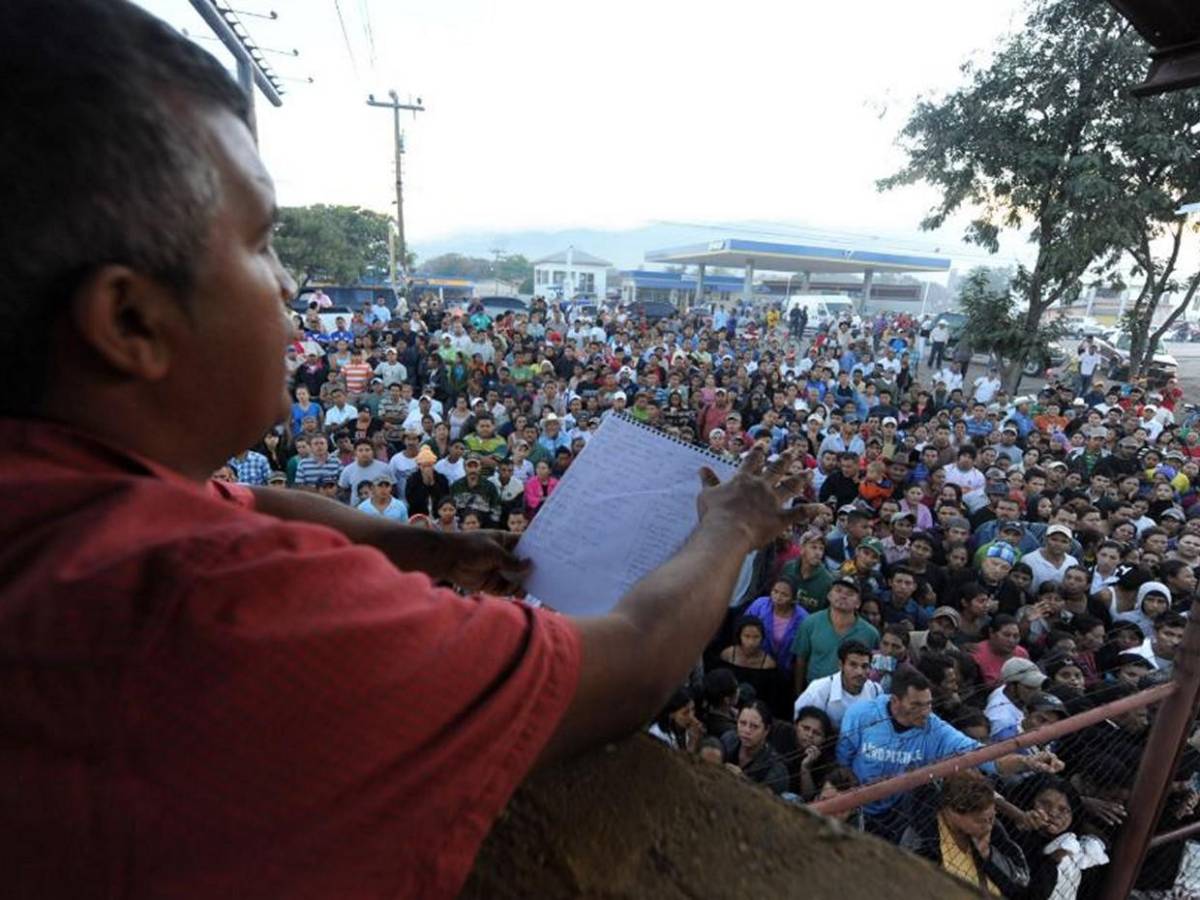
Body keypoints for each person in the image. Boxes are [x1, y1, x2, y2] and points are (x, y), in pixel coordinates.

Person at [0, 4, 824, 895]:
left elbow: (246, 501)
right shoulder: (227, 606)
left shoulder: (61, 500)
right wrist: (731, 526)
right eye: (261, 243)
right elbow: (628, 667)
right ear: (130, 320)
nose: (290, 284)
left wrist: (415, 543)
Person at [837, 667, 1063, 841]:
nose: (925, 712)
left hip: (901, 812)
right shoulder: (861, 714)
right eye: (916, 705)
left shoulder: (935, 729)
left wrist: (1027, 761)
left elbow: (984, 756)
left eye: (929, 704)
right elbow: (843, 761)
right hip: (856, 804)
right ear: (895, 701)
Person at [899, 770, 1031, 897]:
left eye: (992, 817)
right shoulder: (922, 839)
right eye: (979, 821)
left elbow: (1022, 879)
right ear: (954, 813)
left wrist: (989, 855)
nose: (988, 826)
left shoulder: (991, 828)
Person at [791, 577, 881, 691]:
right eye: (838, 590)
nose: (843, 596)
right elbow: (800, 660)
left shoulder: (871, 634)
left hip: (853, 694)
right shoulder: (810, 623)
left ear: (858, 603)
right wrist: (799, 693)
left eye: (850, 593)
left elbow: (874, 669)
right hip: (815, 691)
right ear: (829, 595)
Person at [793, 640, 881, 727]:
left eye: (865, 666)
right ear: (841, 665)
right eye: (853, 665)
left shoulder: (876, 691)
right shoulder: (818, 690)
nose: (859, 672)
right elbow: (800, 724)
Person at [719, 701, 790, 795]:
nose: (747, 730)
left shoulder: (776, 767)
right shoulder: (728, 740)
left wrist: (743, 780)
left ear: (766, 730)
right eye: (742, 723)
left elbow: (766, 798)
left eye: (754, 726)